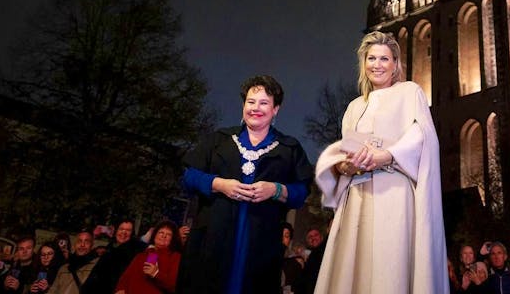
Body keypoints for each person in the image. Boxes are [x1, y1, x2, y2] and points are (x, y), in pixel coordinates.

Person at [313, 31, 447, 294]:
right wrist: (345, 166)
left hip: (393, 191)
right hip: (358, 195)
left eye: (384, 59)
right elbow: (345, 150)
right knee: (355, 268)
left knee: (390, 265)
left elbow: (422, 135)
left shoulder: (410, 92)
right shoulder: (353, 107)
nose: (377, 64)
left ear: (395, 64)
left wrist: (386, 156)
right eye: (371, 58)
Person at [177, 75, 312, 294]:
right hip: (212, 241)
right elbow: (189, 177)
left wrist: (276, 189)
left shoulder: (289, 148)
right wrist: (219, 184)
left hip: (261, 246)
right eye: (251, 102)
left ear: (276, 109)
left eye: (264, 103)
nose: (255, 108)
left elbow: (302, 191)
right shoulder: (219, 140)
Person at [114, 221, 181, 294]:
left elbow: (174, 286)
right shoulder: (143, 255)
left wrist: (156, 274)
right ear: (155, 235)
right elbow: (126, 277)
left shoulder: (175, 257)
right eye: (161, 232)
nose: (163, 236)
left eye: (168, 234)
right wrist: (120, 289)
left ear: (173, 239)